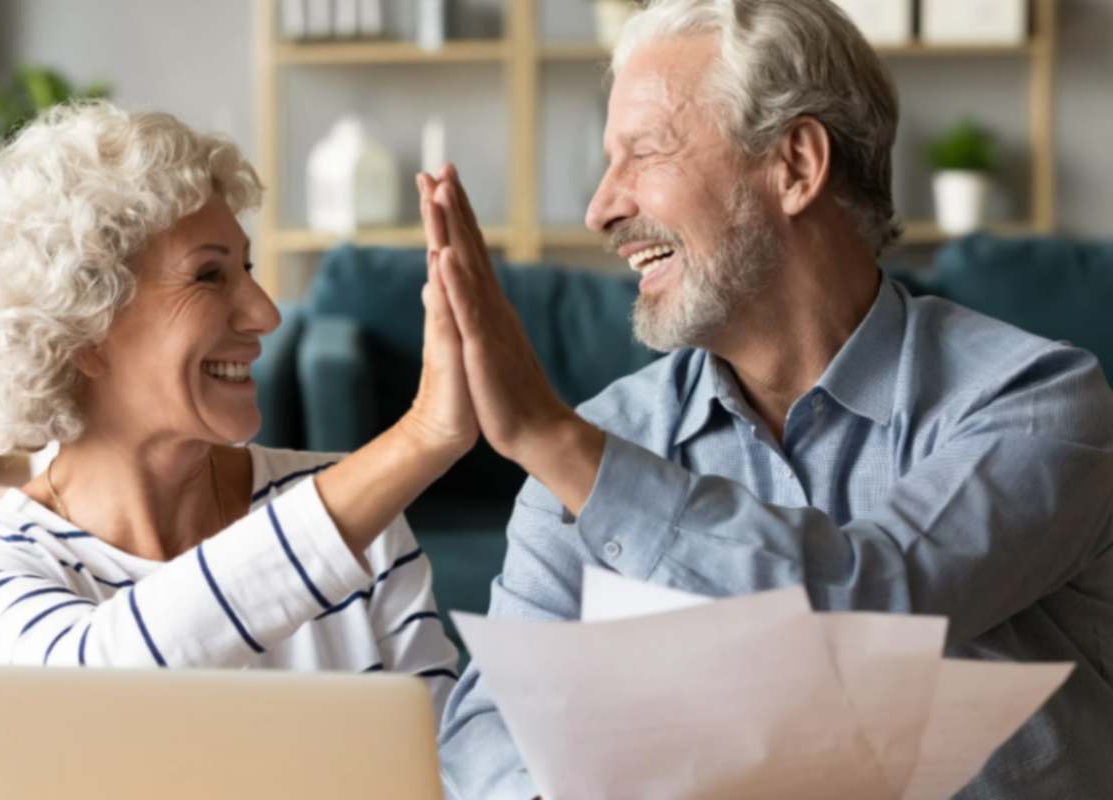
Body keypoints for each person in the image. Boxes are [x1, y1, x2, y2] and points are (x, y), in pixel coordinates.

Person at [422, 0, 1113, 796]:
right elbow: (488, 738)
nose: (601, 208)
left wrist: (554, 441)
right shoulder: (605, 440)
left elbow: (873, 605)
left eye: (643, 152)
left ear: (796, 165)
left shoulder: (1037, 403)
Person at [0, 101, 473, 723]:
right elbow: (89, 690)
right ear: (83, 329)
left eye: (247, 268)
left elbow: (442, 762)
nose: (265, 313)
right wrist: (422, 437)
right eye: (209, 276)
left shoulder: (359, 519)